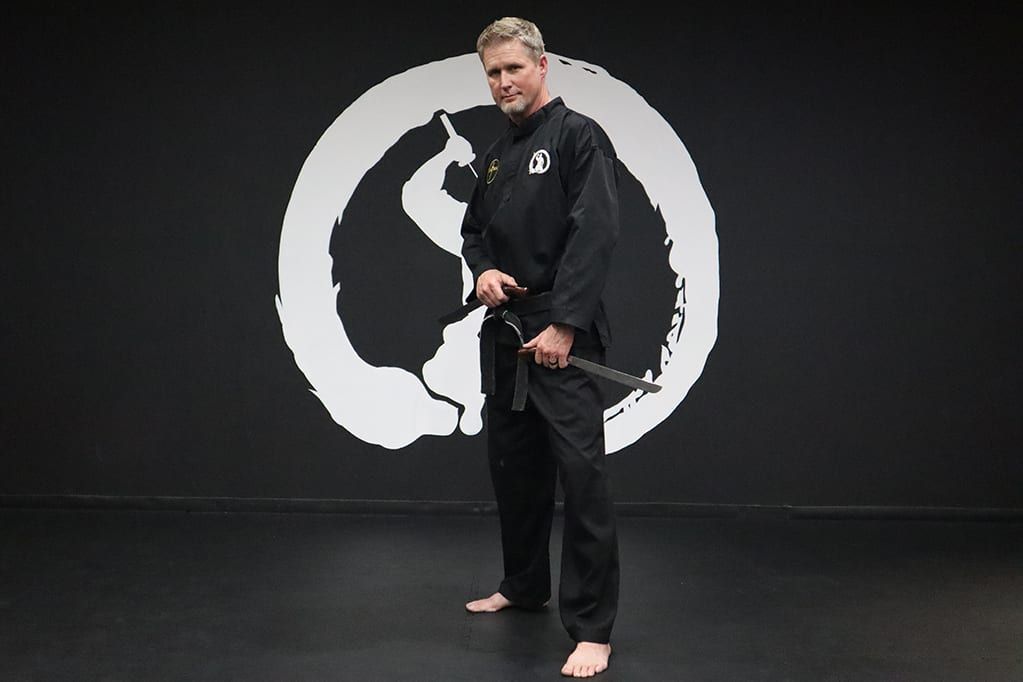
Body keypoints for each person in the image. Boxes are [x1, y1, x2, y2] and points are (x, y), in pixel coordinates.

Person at [460, 16, 621, 678]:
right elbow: (474, 231)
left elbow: (596, 232)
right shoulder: (496, 155)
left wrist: (565, 325)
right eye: (493, 73)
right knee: (513, 471)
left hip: (559, 327)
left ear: (541, 65)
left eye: (512, 69)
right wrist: (482, 271)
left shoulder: (577, 136)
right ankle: (523, 584)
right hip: (505, 332)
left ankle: (592, 628)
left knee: (580, 480)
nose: (502, 82)